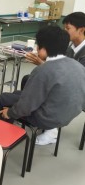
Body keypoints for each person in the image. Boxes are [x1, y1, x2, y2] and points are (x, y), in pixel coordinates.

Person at [0, 26, 85, 133]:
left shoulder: (44, 70)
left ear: (44, 49)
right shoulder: (77, 65)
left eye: (38, 46)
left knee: (4, 98)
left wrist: (10, 113)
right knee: (17, 93)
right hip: (67, 115)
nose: (36, 49)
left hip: (46, 118)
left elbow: (27, 105)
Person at [20, 12, 85, 144]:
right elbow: (61, 67)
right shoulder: (70, 47)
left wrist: (42, 64)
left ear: (81, 30)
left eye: (68, 29)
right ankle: (31, 113)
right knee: (28, 79)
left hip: (78, 90)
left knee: (45, 85)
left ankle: (51, 129)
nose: (64, 32)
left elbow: (73, 77)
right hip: (66, 83)